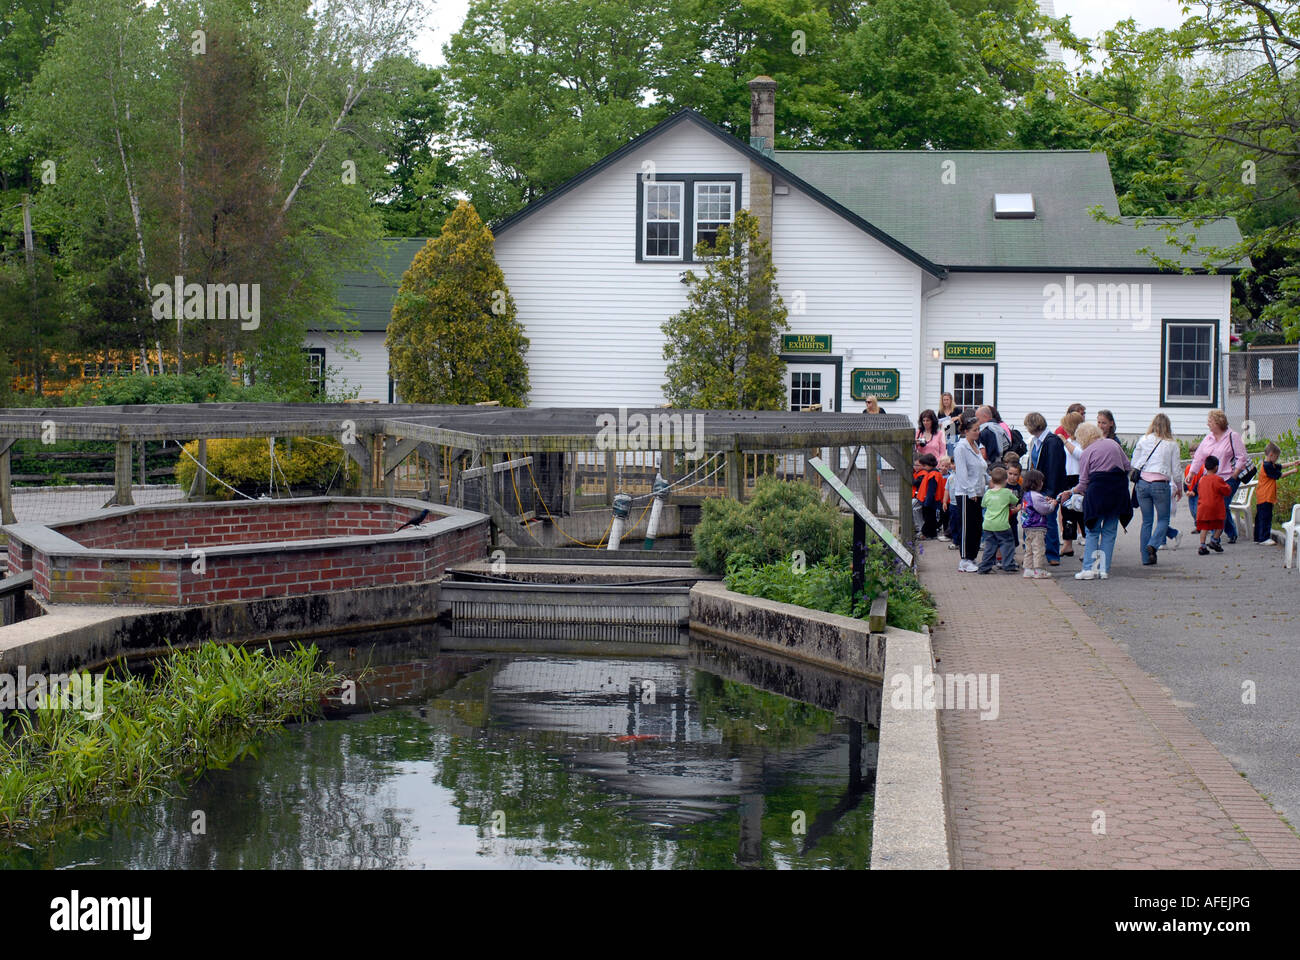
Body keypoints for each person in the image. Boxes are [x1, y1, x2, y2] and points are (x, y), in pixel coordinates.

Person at [1068, 422, 1132, 580]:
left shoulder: (1086, 452)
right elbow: (1127, 466)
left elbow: (1083, 483)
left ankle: (1089, 569)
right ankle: (1103, 569)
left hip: (1097, 494)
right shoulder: (1113, 444)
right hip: (1117, 493)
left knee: (1092, 531)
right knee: (1109, 532)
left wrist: (1070, 492)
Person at [1188, 410, 1250, 543]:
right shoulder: (1208, 438)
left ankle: (1214, 538)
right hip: (1210, 477)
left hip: (1229, 477)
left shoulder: (1233, 436)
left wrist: (1235, 474)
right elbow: (1199, 457)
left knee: (1221, 504)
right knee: (1216, 505)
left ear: (1218, 422)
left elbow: (1242, 457)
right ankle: (1231, 532)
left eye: (1210, 421)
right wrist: (1191, 473)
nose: (1207, 424)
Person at [1131, 413, 1184, 565]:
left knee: (1146, 521)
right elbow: (1176, 470)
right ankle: (1153, 545)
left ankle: (1146, 559)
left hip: (1142, 483)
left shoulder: (1144, 439)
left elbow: (1135, 462)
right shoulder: (1172, 444)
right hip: (1160, 483)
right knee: (1163, 519)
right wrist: (1179, 488)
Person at [1024, 412, 1068, 566]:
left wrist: (1051, 492)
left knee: (1049, 520)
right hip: (1037, 488)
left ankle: (1052, 553)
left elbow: (1054, 468)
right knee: (1035, 520)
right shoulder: (1036, 441)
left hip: (1049, 488)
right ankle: (1034, 551)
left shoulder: (1052, 442)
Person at [952, 417, 987, 572]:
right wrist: (970, 490)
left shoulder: (976, 446)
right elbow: (961, 473)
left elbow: (981, 470)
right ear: (966, 431)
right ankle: (964, 559)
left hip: (979, 492)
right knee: (967, 526)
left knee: (976, 526)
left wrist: (991, 481)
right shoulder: (961, 448)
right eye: (974, 430)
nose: (978, 432)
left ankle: (972, 558)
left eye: (978, 429)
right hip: (966, 494)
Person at [977, 466, 1019, 574]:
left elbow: (983, 504)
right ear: (1006, 480)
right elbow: (1015, 501)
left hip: (988, 524)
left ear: (992, 480)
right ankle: (1008, 564)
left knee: (990, 546)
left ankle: (984, 567)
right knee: (1008, 543)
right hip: (1002, 525)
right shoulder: (1006, 492)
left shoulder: (988, 493)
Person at [1253, 443, 1295, 544]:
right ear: (1271, 455)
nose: (1277, 459)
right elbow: (1279, 475)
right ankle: (1264, 538)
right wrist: (1293, 471)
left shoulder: (1268, 464)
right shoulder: (1268, 466)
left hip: (1262, 495)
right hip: (1266, 496)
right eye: (1276, 457)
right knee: (1266, 517)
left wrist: (1293, 463)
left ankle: (1258, 537)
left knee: (1260, 517)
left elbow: (1280, 466)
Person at [1019, 469, 1056, 579]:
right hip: (1037, 526)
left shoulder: (1027, 495)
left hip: (1028, 526)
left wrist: (1045, 500)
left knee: (1029, 549)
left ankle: (1028, 569)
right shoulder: (1037, 496)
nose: (1042, 483)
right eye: (1041, 481)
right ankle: (1039, 570)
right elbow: (1044, 509)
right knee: (1039, 548)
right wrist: (1052, 505)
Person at [1058, 411, 1086, 557]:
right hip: (1067, 478)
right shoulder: (1069, 440)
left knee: (1081, 511)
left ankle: (1088, 541)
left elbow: (1080, 455)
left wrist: (1065, 442)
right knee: (1067, 511)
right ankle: (1068, 544)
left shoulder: (1083, 442)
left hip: (1079, 478)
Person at [1195, 456, 1232, 554]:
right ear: (1216, 467)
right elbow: (1226, 490)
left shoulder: (1202, 480)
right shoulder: (1217, 479)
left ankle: (1202, 546)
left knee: (1204, 527)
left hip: (1203, 507)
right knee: (1220, 525)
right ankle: (1214, 540)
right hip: (1215, 507)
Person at [913, 453, 942, 539]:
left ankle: (926, 534)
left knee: (929, 518)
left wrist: (927, 502)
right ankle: (931, 534)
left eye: (924, 465)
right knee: (930, 518)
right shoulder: (933, 473)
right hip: (930, 500)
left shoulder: (933, 475)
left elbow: (931, 490)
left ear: (929, 464)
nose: (923, 467)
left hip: (929, 501)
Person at [1005, 461, 1024, 550]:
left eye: (1015, 474)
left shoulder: (1019, 488)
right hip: (1002, 516)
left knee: (1013, 536)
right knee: (1002, 538)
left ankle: (1011, 554)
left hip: (1013, 516)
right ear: (1006, 472)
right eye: (1010, 473)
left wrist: (1019, 506)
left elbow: (1021, 500)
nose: (1012, 476)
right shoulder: (1003, 485)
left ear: (1019, 475)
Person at [939, 455, 958, 545]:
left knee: (957, 522)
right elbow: (947, 490)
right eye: (952, 464)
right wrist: (944, 501)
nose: (953, 466)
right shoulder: (950, 477)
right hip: (953, 503)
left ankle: (956, 539)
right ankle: (953, 539)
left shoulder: (962, 475)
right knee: (953, 521)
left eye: (955, 464)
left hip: (960, 502)